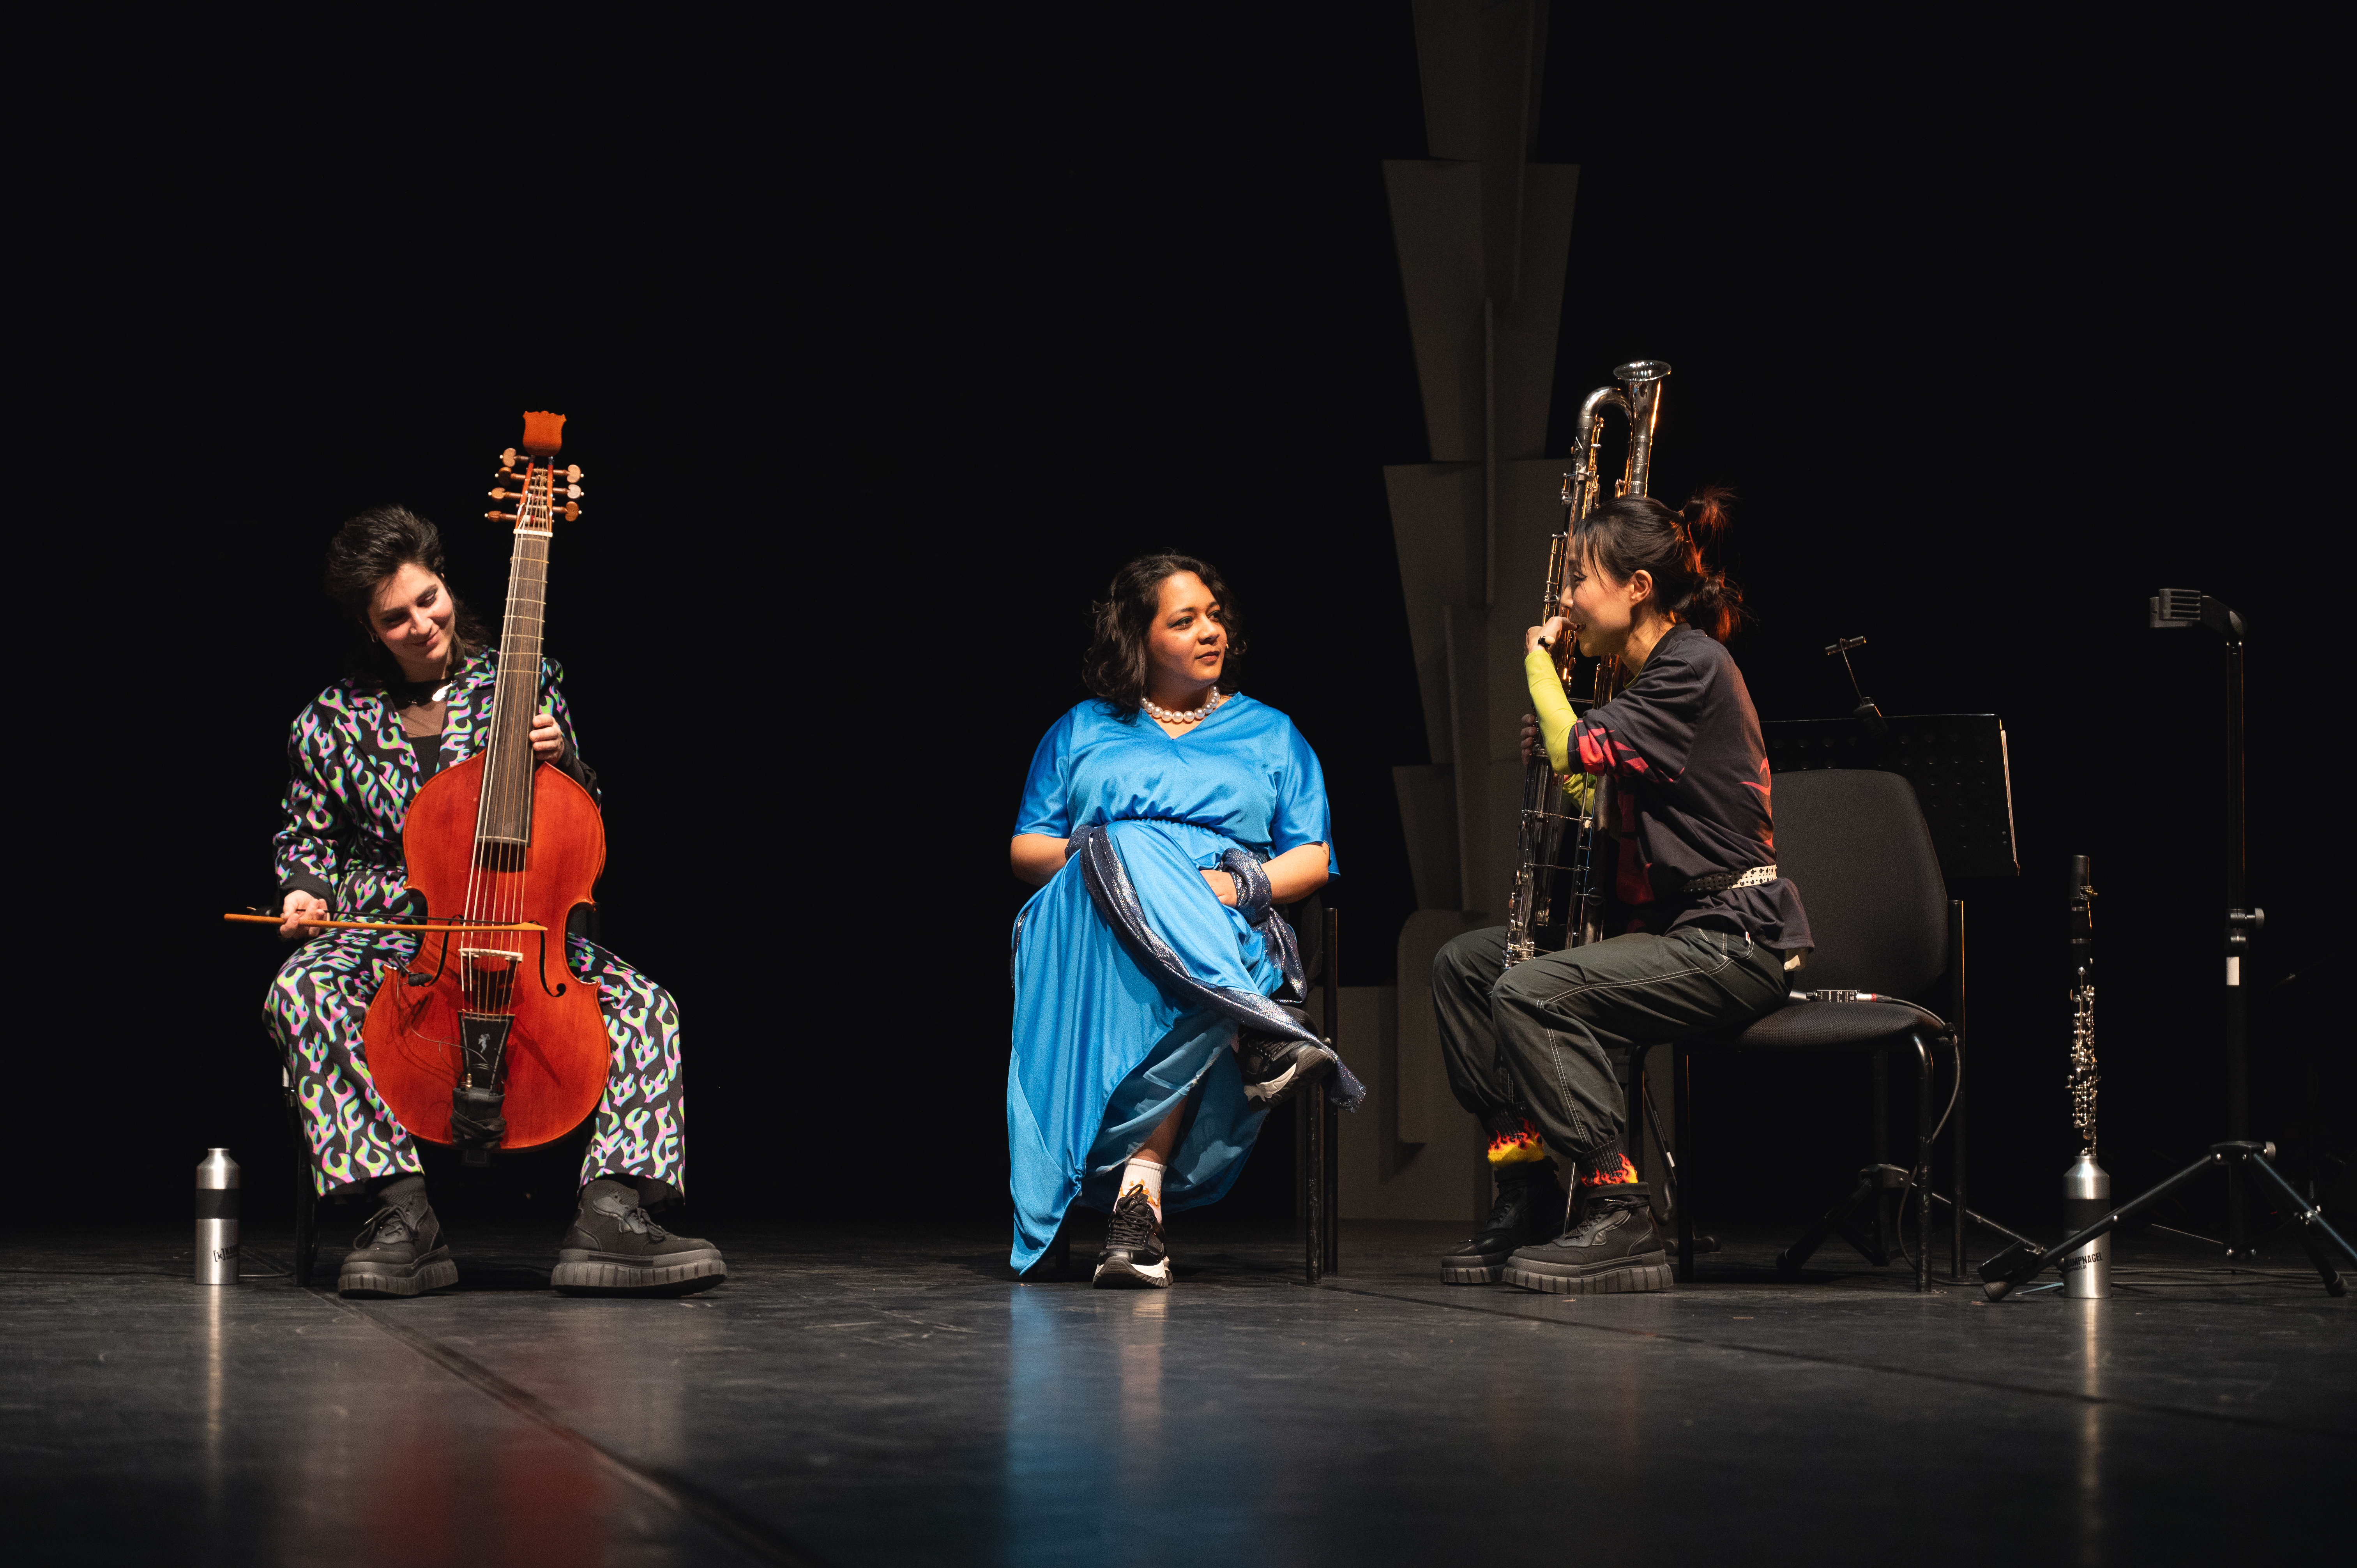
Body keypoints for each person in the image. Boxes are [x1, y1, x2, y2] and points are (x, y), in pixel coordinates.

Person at [264, 505, 724, 1299]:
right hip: (399, 933)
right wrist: (305, 893)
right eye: (395, 616)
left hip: (521, 924)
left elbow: (580, 821)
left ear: (446, 582)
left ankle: (611, 1210)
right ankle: (400, 1212)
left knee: (650, 1005)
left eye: (428, 597)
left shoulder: (523, 681)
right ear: (370, 628)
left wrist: (567, 759)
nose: (421, 623)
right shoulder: (330, 721)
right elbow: (308, 843)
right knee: (300, 989)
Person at [1431, 488, 1808, 1294]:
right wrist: (1567, 758)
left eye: (1579, 577)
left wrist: (1536, 663)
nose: (1566, 599)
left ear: (1638, 586)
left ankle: (1617, 1201)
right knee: (1464, 966)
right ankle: (1527, 1180)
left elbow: (1575, 741)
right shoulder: (1645, 683)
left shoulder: (1692, 663)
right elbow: (1601, 799)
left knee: (1529, 989)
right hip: (1672, 933)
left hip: (1730, 940)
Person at [1008, 553, 1355, 1288]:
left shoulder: (1270, 733)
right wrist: (1120, 863)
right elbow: (1027, 849)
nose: (1212, 632)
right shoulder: (1081, 729)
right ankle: (1260, 1030)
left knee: (1169, 977)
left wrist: (1227, 890)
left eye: (1216, 615)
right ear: (1139, 637)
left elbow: (1314, 861)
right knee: (1130, 841)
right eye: (1185, 620)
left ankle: (1141, 1200)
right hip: (1090, 931)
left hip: (1232, 923)